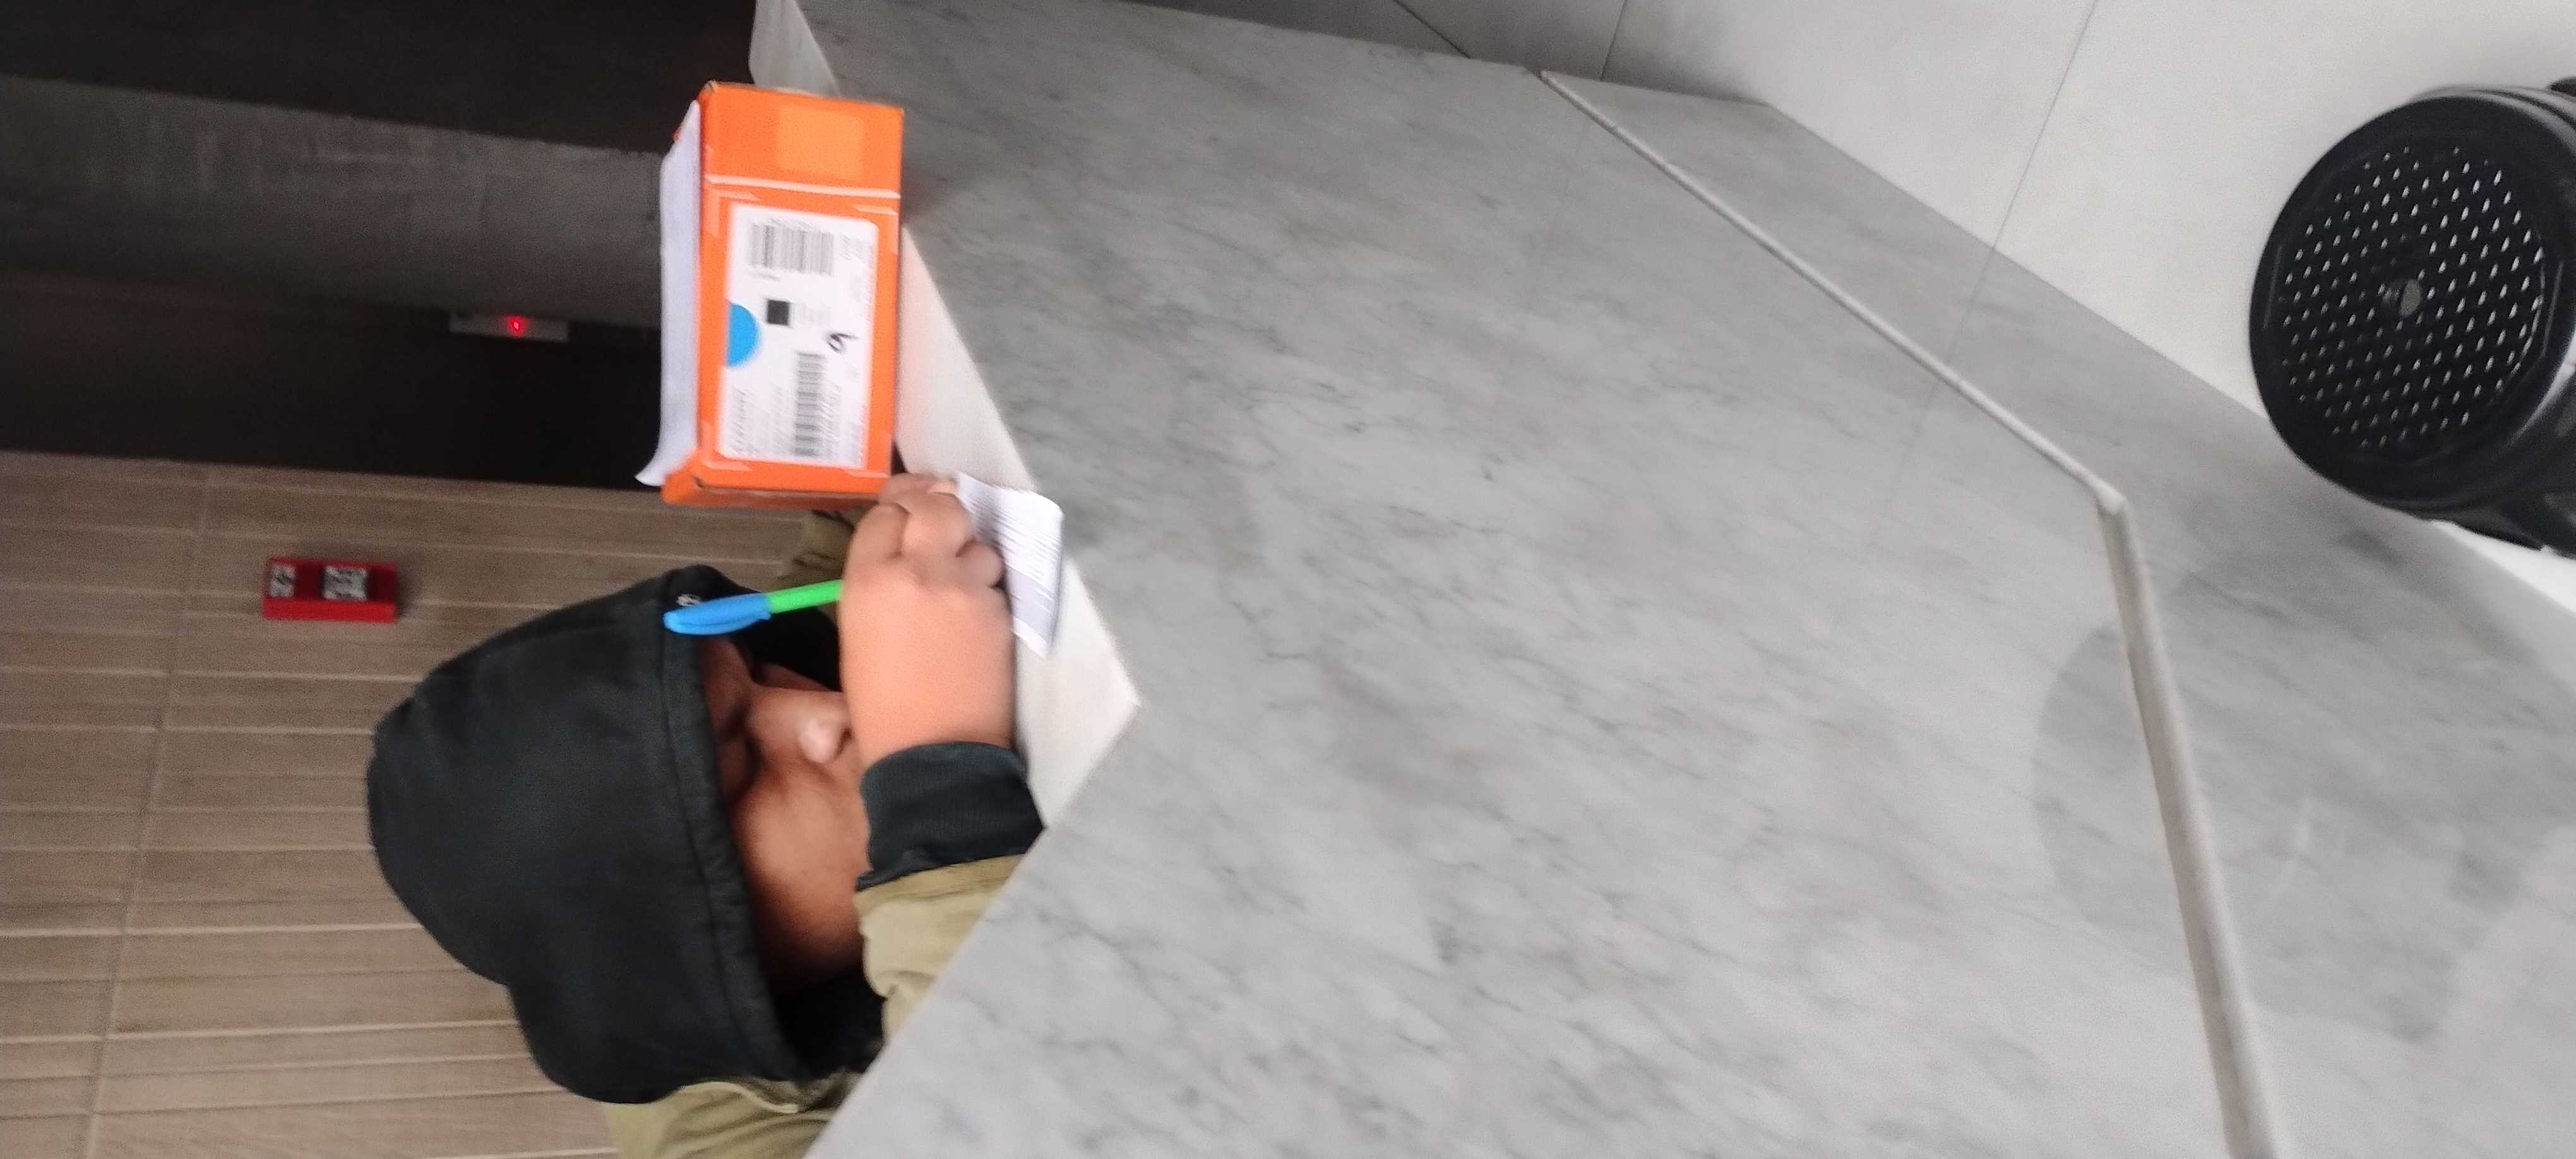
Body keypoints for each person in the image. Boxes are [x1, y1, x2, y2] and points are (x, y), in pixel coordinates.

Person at [366, 475, 1037, 1158]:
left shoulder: (794, 688)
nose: (829, 710)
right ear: (682, 942)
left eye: (761, 672)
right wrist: (940, 788)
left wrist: (879, 508)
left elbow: (825, 589)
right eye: (748, 765)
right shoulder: (727, 1144)